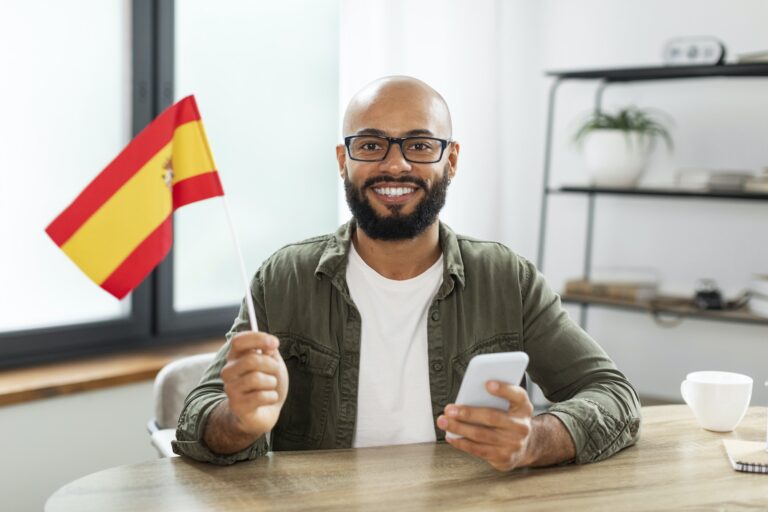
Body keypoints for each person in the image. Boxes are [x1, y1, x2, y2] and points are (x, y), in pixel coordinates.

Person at [173, 76, 641, 470]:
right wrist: (238, 422)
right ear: (343, 161)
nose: (395, 164)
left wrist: (535, 440)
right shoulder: (284, 279)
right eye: (371, 145)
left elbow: (613, 395)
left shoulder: (507, 279)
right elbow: (196, 419)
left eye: (419, 145)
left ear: (450, 160)